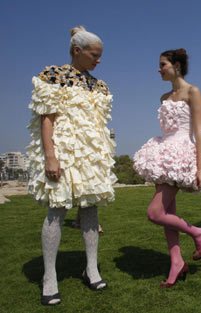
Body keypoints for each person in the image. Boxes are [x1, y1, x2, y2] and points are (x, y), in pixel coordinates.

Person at [27, 26, 116, 305]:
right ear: (77, 51)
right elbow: (47, 119)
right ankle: (49, 276)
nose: (98, 60)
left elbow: (99, 126)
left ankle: (91, 268)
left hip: (91, 157)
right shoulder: (52, 76)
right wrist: (51, 156)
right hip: (63, 151)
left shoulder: (99, 85)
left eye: (100, 56)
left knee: (90, 210)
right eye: (94, 55)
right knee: (57, 209)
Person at [133, 49, 201, 288]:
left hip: (181, 152)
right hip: (163, 151)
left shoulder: (193, 91)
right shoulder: (164, 97)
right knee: (168, 213)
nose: (158, 69)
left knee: (155, 213)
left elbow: (198, 131)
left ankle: (197, 232)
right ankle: (176, 262)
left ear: (176, 65)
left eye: (162, 64)